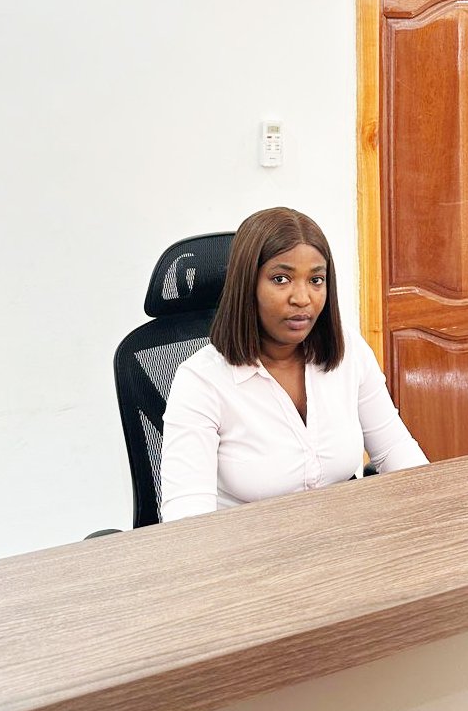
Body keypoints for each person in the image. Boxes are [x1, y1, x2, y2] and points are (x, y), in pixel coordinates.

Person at [160, 207, 428, 521]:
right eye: (281, 279)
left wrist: (437, 509)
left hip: (344, 535)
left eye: (316, 280)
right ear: (247, 286)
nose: (302, 298)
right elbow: (188, 518)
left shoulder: (349, 351)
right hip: (248, 545)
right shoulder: (201, 382)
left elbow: (395, 449)